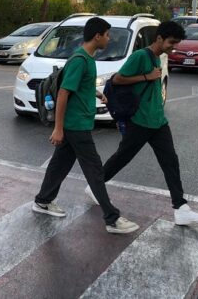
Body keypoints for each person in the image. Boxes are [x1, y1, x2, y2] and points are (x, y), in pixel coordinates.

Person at [93, 21, 198, 226]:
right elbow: (118, 79)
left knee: (170, 161)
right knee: (123, 157)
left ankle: (180, 208)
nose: (172, 47)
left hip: (157, 121)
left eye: (175, 44)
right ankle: (95, 186)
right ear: (159, 38)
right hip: (140, 120)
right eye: (170, 43)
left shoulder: (158, 57)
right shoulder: (140, 56)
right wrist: (146, 76)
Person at [33, 17, 140, 234]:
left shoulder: (87, 60)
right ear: (97, 36)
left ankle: (43, 200)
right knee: (94, 171)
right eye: (107, 35)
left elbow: (80, 85)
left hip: (78, 124)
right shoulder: (80, 60)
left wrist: (96, 92)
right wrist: (58, 128)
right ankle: (112, 218)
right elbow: (64, 92)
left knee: (59, 165)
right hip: (75, 126)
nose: (109, 39)